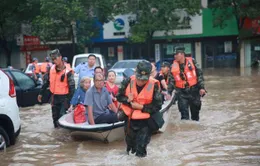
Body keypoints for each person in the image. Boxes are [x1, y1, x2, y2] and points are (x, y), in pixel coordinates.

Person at [116, 60, 163, 157]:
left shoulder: (154, 85)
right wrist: (128, 100)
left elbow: (157, 106)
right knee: (130, 149)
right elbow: (119, 96)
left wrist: (141, 107)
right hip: (130, 121)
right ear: (135, 74)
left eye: (144, 79)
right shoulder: (128, 81)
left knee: (140, 150)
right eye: (139, 78)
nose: (141, 82)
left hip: (145, 122)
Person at [37, 49, 75, 128]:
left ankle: (64, 137)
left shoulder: (68, 71)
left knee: (62, 118)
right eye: (53, 59)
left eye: (55, 58)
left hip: (64, 98)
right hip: (54, 97)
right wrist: (41, 93)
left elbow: (72, 88)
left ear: (60, 57)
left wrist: (72, 102)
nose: (54, 61)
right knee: (55, 118)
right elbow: (46, 82)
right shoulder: (51, 69)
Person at [170, 46, 206, 121]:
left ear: (182, 54)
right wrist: (168, 92)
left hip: (194, 91)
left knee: (195, 116)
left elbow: (200, 75)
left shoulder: (192, 62)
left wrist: (202, 88)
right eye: (174, 54)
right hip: (181, 92)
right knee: (184, 117)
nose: (175, 56)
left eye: (177, 54)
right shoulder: (173, 67)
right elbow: (171, 81)